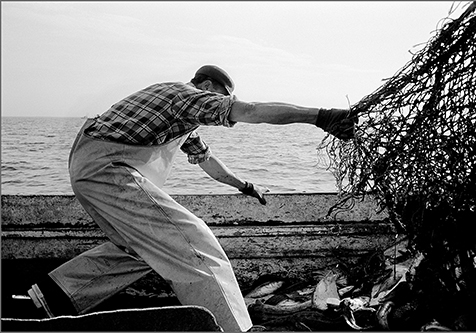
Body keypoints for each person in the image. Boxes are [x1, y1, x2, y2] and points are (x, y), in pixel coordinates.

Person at [27, 64, 357, 331]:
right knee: (195, 241)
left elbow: (207, 162)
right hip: (108, 172)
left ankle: (50, 299)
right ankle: (232, 329)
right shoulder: (186, 96)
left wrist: (244, 186)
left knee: (144, 249)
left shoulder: (178, 114)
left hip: (89, 172)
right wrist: (321, 116)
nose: (216, 108)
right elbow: (252, 110)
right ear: (209, 87)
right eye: (221, 98)